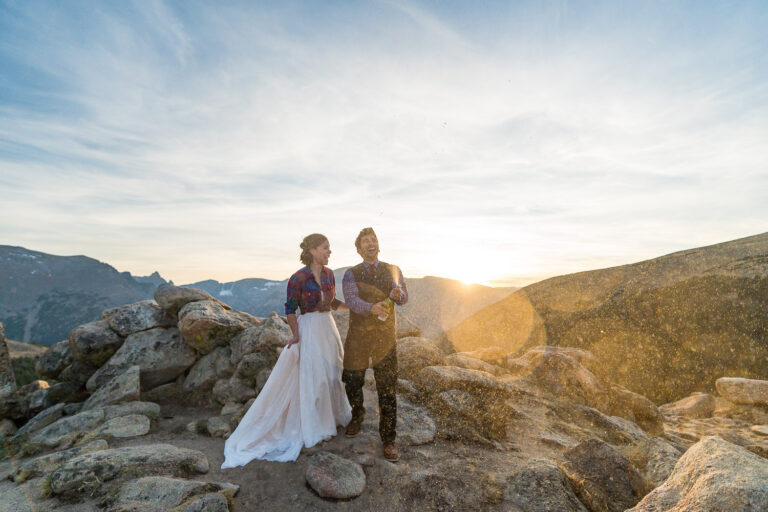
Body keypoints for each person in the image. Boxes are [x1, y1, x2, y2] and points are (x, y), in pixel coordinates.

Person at [221, 234, 352, 467]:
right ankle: (318, 426)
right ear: (312, 250)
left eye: (329, 248)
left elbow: (332, 302)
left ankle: (333, 418)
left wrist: (351, 307)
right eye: (325, 248)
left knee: (333, 373)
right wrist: (296, 334)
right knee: (315, 377)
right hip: (310, 327)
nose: (329, 252)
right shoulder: (297, 278)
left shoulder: (329, 274)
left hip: (328, 328)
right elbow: (290, 310)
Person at [342, 227, 408, 462]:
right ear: (359, 249)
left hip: (385, 338)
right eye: (365, 241)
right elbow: (351, 299)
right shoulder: (351, 273)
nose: (371, 244)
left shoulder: (393, 270)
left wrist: (398, 295)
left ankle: (389, 440)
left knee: (387, 387)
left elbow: (404, 299)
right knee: (352, 379)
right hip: (358, 336)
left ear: (378, 245)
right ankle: (357, 414)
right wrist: (371, 308)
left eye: (374, 240)